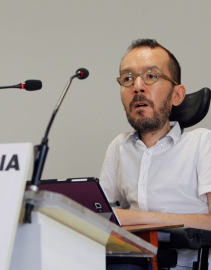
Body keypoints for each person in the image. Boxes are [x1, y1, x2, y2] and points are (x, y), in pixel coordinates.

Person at [100, 38, 211, 269]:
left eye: (151, 76)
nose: (137, 87)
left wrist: (140, 218)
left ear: (177, 95)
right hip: (131, 260)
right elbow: (102, 215)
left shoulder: (202, 142)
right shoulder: (119, 147)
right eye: (127, 78)